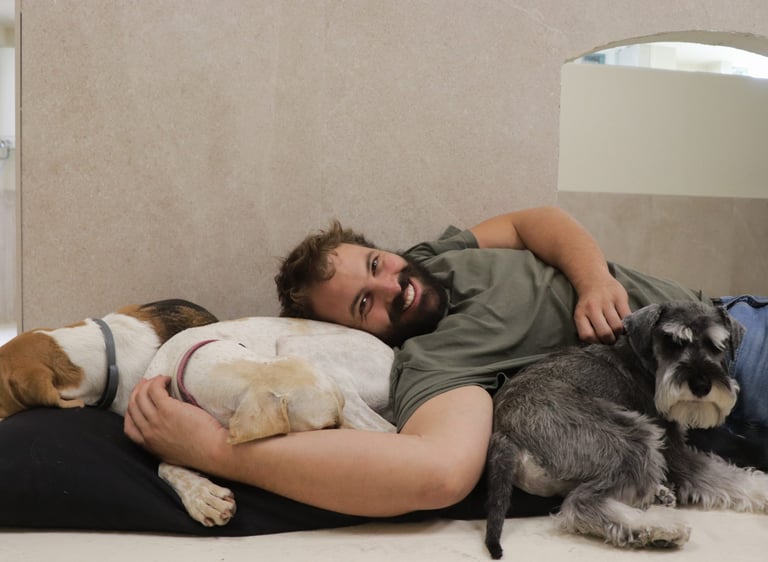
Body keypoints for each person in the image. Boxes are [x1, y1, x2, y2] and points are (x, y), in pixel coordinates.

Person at [124, 206, 767, 518]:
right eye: (362, 306)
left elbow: (533, 220)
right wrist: (214, 451)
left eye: (377, 265)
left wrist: (594, 278)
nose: (390, 288)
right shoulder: (429, 364)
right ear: (356, 333)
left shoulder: (436, 254)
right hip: (721, 390)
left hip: (732, 320)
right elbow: (434, 473)